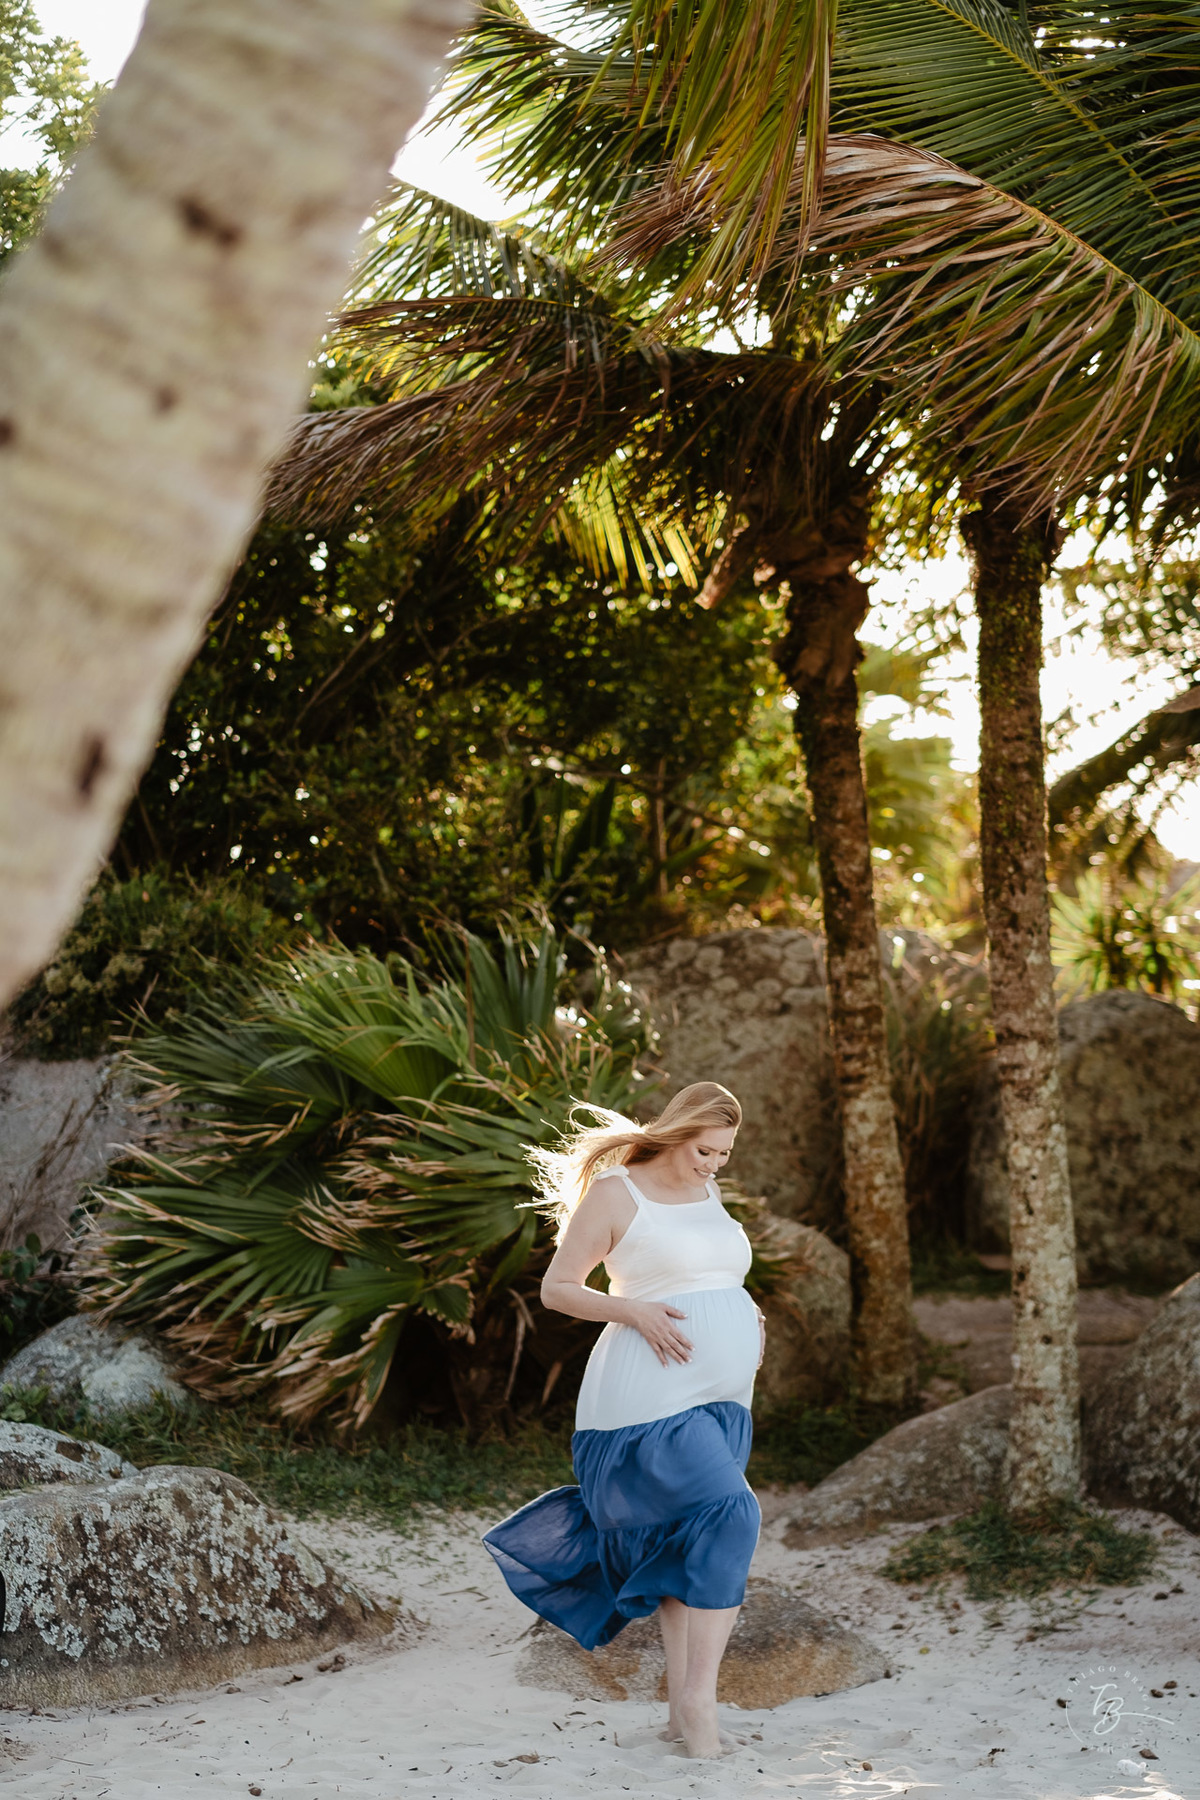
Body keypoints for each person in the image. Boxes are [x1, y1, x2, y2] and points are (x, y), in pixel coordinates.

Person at [482, 1081, 764, 1760]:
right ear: (677, 1132)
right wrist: (632, 1310)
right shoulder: (617, 1193)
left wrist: (745, 1308)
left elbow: (710, 1275)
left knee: (682, 1543)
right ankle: (700, 1703)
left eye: (724, 1154)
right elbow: (559, 1288)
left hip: (724, 1395)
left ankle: (677, 1713)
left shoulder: (710, 1192)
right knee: (735, 1514)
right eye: (705, 1150)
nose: (714, 1164)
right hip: (645, 1394)